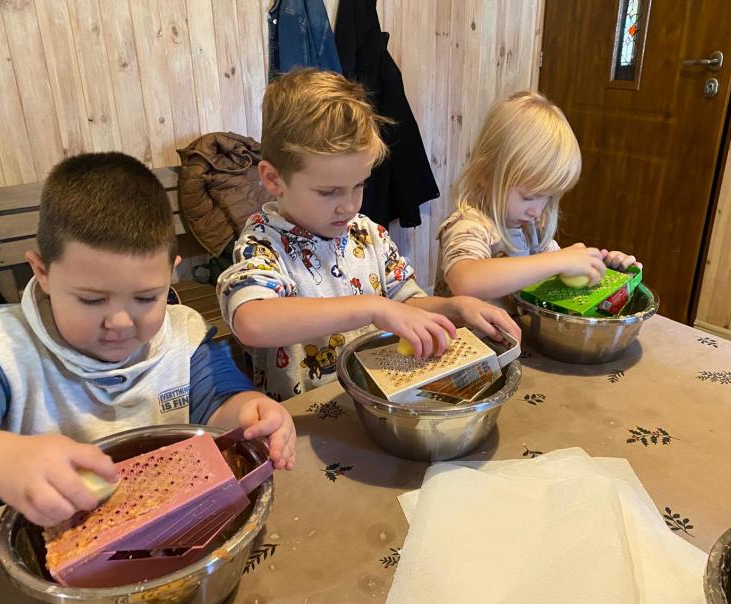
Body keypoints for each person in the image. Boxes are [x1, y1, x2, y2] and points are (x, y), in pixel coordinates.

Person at [0, 152, 296, 528]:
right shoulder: (1, 352)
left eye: (145, 298)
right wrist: (3, 460)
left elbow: (220, 401)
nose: (121, 323)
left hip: (168, 522)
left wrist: (253, 413)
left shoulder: (183, 336)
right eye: (92, 300)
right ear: (42, 272)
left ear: (170, 274)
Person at [217, 68, 520, 400]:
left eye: (359, 185)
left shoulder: (367, 233)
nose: (349, 206)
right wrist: (372, 308)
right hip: (303, 416)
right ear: (273, 179)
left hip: (376, 399)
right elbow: (252, 322)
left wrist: (454, 307)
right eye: (328, 192)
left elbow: (407, 303)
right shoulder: (263, 245)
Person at [436, 91, 641, 308]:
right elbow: (465, 281)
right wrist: (559, 260)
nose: (536, 211)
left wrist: (602, 267)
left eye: (547, 197)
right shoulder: (469, 225)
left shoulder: (530, 229)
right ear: (485, 175)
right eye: (529, 197)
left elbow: (560, 273)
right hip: (464, 331)